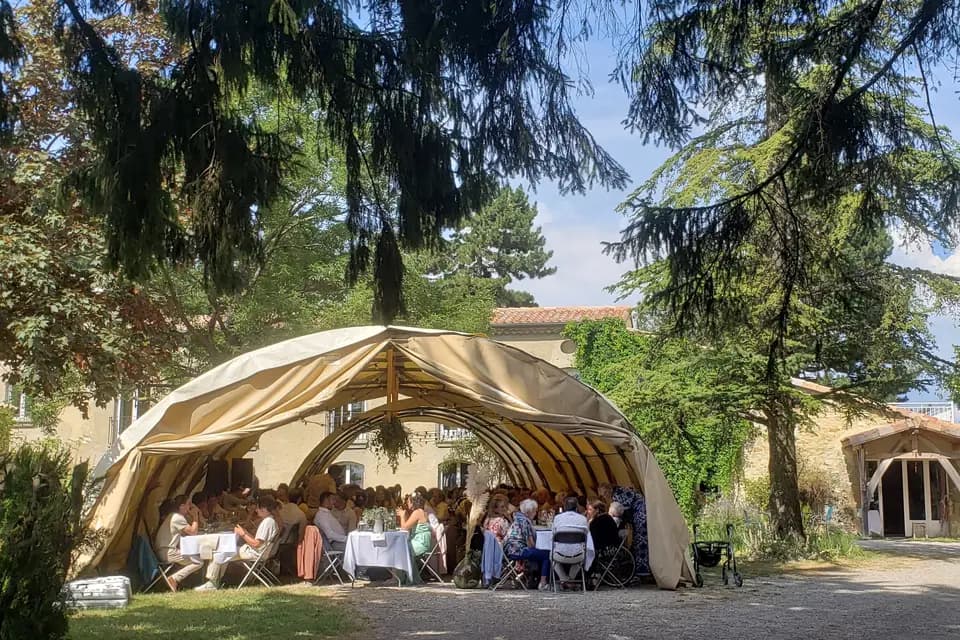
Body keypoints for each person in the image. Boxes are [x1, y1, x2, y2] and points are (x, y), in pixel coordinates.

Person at [195, 495, 280, 590]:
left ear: (264, 509)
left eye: (258, 508)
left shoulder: (267, 522)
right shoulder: (271, 521)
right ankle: (215, 581)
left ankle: (212, 583)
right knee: (225, 550)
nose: (256, 511)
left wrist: (242, 534)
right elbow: (258, 541)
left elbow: (257, 544)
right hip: (259, 552)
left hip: (254, 553)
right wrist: (245, 532)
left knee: (221, 551)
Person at [599, 483, 649, 579]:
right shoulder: (618, 492)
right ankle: (640, 571)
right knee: (638, 542)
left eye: (605, 493)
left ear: (609, 489)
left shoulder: (618, 495)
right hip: (638, 515)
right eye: (602, 495)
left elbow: (621, 512)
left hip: (641, 515)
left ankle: (642, 572)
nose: (605, 496)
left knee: (641, 543)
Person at [154, 494, 203, 591]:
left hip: (164, 550)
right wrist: (195, 517)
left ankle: (179, 579)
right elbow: (193, 532)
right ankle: (174, 578)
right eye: (188, 504)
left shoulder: (173, 516)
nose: (190, 507)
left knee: (196, 557)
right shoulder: (177, 517)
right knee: (198, 561)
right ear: (182, 506)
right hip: (168, 552)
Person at [503, 499, 551, 590]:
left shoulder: (518, 518)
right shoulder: (525, 522)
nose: (536, 513)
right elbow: (530, 544)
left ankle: (534, 580)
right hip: (518, 551)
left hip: (510, 549)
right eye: (535, 511)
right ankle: (543, 582)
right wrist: (538, 548)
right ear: (530, 512)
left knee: (539, 554)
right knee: (547, 554)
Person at [551, 495, 590, 583]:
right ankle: (570, 580)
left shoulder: (557, 518)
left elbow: (552, 535)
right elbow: (587, 535)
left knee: (550, 555)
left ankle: (564, 579)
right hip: (578, 554)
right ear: (577, 507)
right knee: (582, 555)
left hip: (559, 554)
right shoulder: (583, 519)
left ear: (564, 507)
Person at [397, 492, 433, 558]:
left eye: (408, 502)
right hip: (425, 542)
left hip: (420, 543)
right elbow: (409, 524)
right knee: (400, 546)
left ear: (412, 502)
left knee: (399, 548)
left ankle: (404, 568)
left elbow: (404, 529)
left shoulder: (417, 512)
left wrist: (402, 516)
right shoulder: (422, 511)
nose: (407, 503)